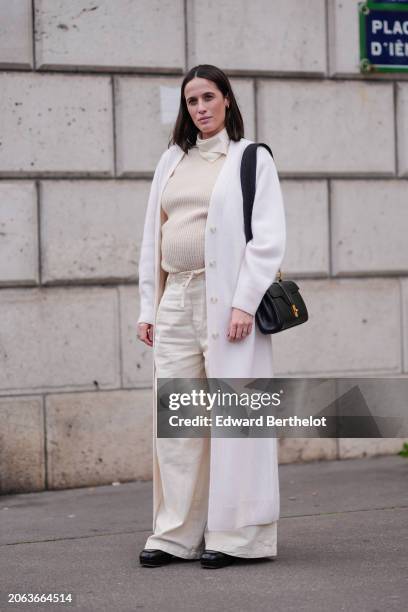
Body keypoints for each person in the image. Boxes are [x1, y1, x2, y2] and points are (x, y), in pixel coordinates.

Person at [137, 64, 286, 569]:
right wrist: (148, 307)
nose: (199, 108)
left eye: (207, 97)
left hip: (226, 302)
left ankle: (238, 538)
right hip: (176, 297)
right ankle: (175, 533)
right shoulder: (171, 160)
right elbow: (151, 238)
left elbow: (267, 239)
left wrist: (246, 301)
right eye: (191, 101)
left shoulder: (249, 159)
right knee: (177, 423)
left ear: (226, 99)